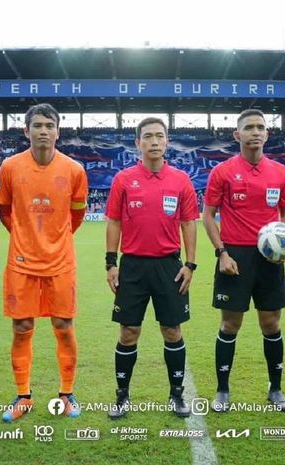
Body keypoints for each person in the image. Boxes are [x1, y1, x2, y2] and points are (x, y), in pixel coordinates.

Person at [0, 103, 88, 422]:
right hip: (21, 264)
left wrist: (54, 240)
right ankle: (23, 396)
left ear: (58, 131)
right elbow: (4, 211)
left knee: (63, 326)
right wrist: (25, 238)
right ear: (26, 131)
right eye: (37, 125)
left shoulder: (74, 170)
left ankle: (67, 394)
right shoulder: (9, 167)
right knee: (22, 328)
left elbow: (77, 216)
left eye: (49, 125)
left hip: (61, 263)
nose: (43, 130)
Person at [104, 117, 198, 419]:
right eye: (148, 136)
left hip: (169, 266)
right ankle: (122, 395)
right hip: (132, 266)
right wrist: (111, 262)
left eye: (160, 136)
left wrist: (190, 264)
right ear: (138, 143)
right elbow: (114, 221)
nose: (154, 141)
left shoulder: (181, 180)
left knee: (172, 330)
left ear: (167, 141)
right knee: (128, 331)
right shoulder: (123, 179)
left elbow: (188, 223)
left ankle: (176, 394)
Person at [203, 109, 285, 413]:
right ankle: (222, 391)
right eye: (249, 128)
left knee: (271, 324)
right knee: (230, 325)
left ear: (267, 134)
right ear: (237, 135)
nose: (255, 132)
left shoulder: (280, 172)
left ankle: (276, 390)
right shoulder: (223, 172)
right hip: (235, 258)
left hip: (269, 260)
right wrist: (222, 253)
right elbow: (208, 216)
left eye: (260, 127)